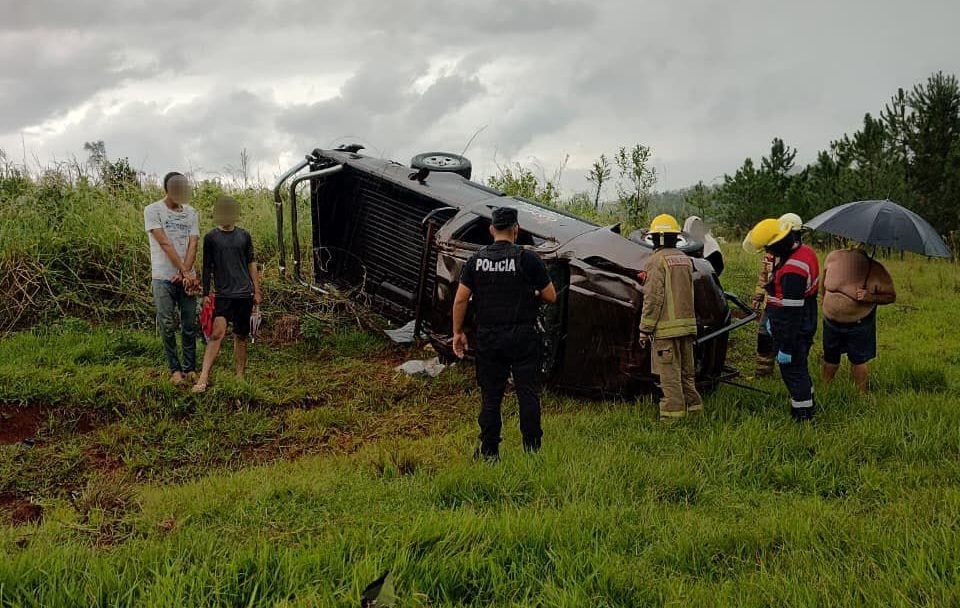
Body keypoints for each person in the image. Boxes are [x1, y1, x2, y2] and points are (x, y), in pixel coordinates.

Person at [451, 207, 557, 460]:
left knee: (491, 396)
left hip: (489, 338)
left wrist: (457, 332)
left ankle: (489, 452)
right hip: (523, 336)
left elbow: (460, 300)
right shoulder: (528, 259)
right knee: (527, 394)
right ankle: (532, 451)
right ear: (516, 230)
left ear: (491, 230)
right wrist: (532, 293)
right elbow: (551, 296)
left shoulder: (476, 260)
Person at [744, 216, 820, 422]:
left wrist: (786, 345)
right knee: (800, 369)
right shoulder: (804, 251)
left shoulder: (793, 269)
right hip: (802, 318)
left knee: (793, 371)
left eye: (768, 248)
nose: (767, 252)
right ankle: (807, 401)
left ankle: (803, 416)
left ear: (778, 244)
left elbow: (792, 312)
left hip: (795, 327)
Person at [193, 196, 262, 393]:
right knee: (217, 333)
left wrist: (256, 290)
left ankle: (239, 376)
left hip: (244, 294)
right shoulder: (211, 238)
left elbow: (251, 263)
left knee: (241, 335)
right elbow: (207, 267)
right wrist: (206, 293)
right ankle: (204, 376)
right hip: (223, 294)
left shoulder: (244, 236)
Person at [639, 214, 703, 421]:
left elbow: (653, 298)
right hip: (687, 327)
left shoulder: (656, 261)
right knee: (687, 374)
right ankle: (694, 411)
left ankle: (672, 419)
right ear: (676, 237)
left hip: (666, 330)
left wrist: (645, 329)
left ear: (656, 238)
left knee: (669, 376)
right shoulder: (685, 259)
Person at [145, 172, 200, 386]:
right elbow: (164, 243)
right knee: (167, 324)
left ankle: (190, 368)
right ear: (167, 189)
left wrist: (185, 272)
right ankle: (174, 369)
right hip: (162, 277)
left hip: (187, 277)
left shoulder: (191, 213)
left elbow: (193, 243)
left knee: (189, 323)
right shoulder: (152, 210)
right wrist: (184, 271)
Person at [820, 245, 896, 392]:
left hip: (858, 324)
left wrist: (870, 297)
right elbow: (824, 280)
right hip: (831, 322)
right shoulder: (833, 257)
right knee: (830, 358)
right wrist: (824, 297)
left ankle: (861, 395)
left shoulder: (876, 270)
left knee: (858, 360)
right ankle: (825, 390)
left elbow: (891, 296)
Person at [745, 213, 803, 378]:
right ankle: (763, 373)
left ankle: (792, 372)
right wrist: (758, 297)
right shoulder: (771, 253)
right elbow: (764, 276)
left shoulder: (799, 256)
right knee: (764, 335)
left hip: (790, 305)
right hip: (770, 303)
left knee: (789, 338)